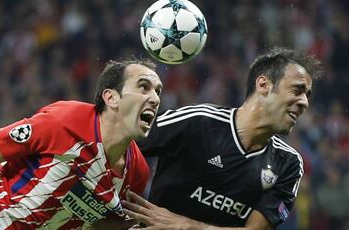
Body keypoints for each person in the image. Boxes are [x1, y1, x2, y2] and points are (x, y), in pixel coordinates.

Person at [0, 59, 163, 229]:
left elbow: (102, 223)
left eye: (158, 91)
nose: (154, 99)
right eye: (144, 87)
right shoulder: (67, 121)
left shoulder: (137, 174)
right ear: (111, 98)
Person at [122, 47, 323, 229]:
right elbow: (119, 142)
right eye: (297, 90)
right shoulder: (198, 122)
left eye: (307, 95)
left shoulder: (288, 163)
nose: (304, 102)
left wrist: (184, 225)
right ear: (263, 85)